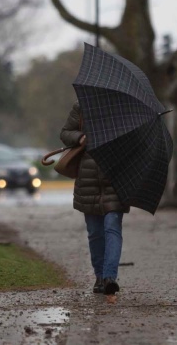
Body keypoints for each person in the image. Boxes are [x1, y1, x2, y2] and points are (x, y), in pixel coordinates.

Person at [60, 101, 130, 296]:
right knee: (95, 233)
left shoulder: (124, 110)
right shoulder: (82, 107)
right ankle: (99, 277)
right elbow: (65, 133)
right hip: (88, 181)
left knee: (112, 227)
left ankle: (110, 277)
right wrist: (79, 136)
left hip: (116, 180)